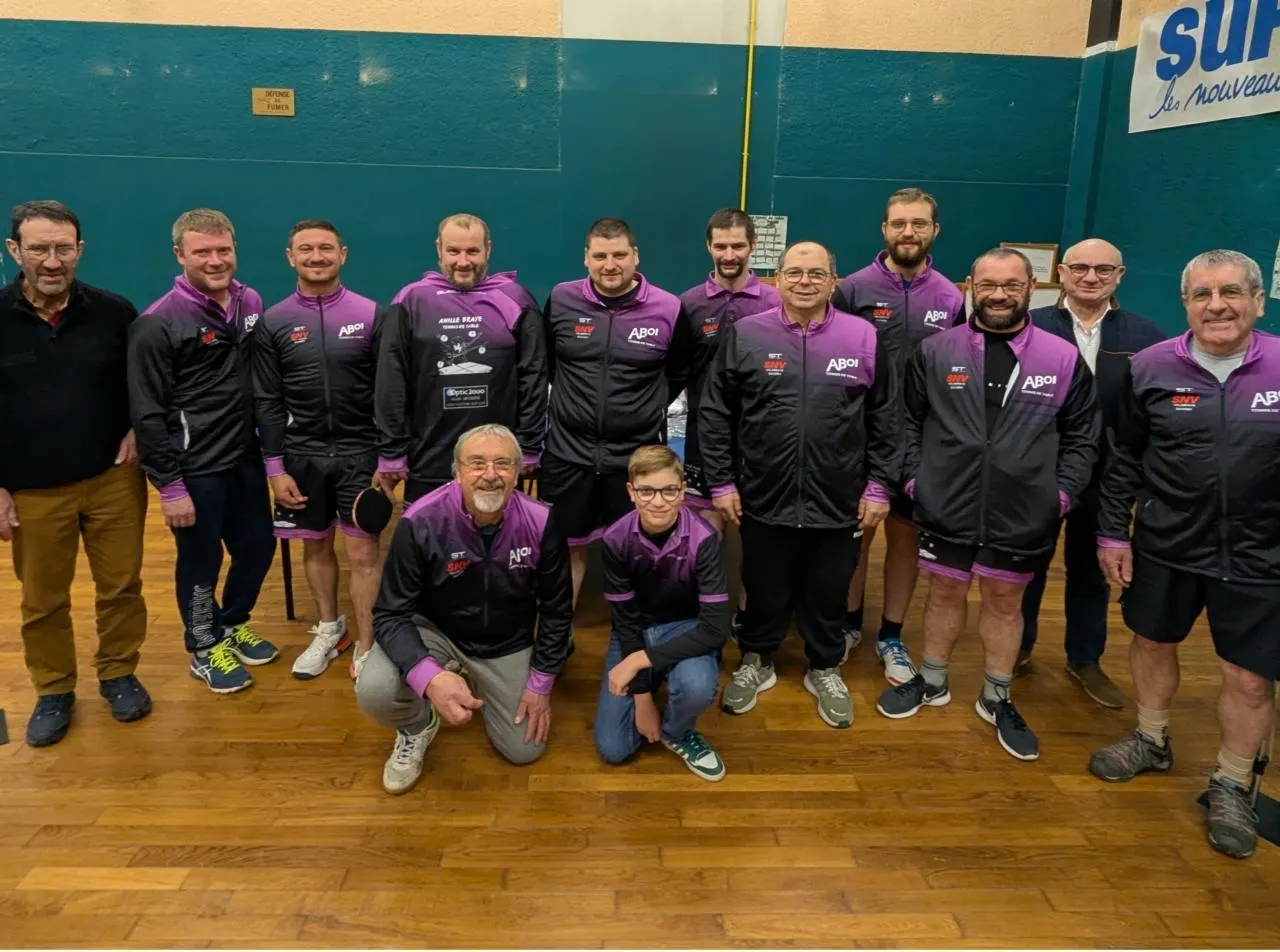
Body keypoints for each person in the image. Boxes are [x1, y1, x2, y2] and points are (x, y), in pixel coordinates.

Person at [874, 248, 1100, 762]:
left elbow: (1084, 435)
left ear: (1032, 289)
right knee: (943, 593)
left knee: (1004, 601)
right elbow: (906, 422)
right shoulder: (935, 350)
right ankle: (932, 680)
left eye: (1012, 285)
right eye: (988, 285)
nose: (999, 295)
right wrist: (916, 481)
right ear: (970, 287)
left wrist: (1060, 494)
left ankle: (997, 695)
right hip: (946, 501)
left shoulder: (1062, 357)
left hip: (1024, 509)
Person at [1090, 250, 1277, 861]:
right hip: (1167, 542)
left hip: (1262, 555)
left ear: (1258, 300)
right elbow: (1124, 458)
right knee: (1151, 643)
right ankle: (1151, 739)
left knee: (1248, 678)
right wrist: (1113, 533)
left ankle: (1232, 782)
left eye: (1230, 292)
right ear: (1186, 304)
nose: (1216, 305)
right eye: (1202, 294)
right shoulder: (1150, 367)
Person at [701, 240, 899, 729]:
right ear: (777, 279)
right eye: (794, 272)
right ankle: (756, 659)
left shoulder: (863, 336)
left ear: (834, 282)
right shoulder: (747, 334)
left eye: (816, 273)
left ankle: (825, 666)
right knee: (763, 584)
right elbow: (716, 412)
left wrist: (878, 487)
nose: (804, 282)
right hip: (763, 491)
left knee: (829, 588)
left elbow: (887, 418)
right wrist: (722, 482)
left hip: (839, 495)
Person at [0, 200, 150, 747]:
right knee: (42, 599)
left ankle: (118, 672)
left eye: (63, 248)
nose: (52, 260)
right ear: (14, 250)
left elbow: (144, 385)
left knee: (122, 586)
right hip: (33, 490)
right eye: (39, 248)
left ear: (79, 251)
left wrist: (137, 429)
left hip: (113, 480)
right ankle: (54, 688)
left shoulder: (115, 312)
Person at [356, 423, 573, 795]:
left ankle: (479, 680)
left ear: (518, 472)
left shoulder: (542, 521)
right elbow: (390, 613)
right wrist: (429, 677)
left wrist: (540, 684)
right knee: (374, 689)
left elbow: (557, 610)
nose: (490, 474)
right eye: (477, 463)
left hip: (506, 640)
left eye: (502, 463)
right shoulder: (419, 521)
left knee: (524, 750)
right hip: (436, 630)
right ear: (457, 472)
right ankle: (418, 724)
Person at [129, 208, 279, 695]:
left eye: (223, 250)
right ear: (180, 255)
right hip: (194, 469)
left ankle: (231, 623)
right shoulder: (158, 323)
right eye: (202, 252)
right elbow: (147, 412)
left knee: (258, 547)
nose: (215, 261)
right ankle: (203, 646)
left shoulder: (250, 301)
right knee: (201, 562)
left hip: (245, 457)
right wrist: (170, 487)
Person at [1018, 238, 1165, 707]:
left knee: (1092, 571)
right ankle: (1017, 649)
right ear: (1061, 273)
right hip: (1039, 470)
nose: (1090, 277)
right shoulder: (1030, 326)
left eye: (1104, 270)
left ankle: (1084, 659)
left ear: (1120, 276)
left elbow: (1148, 412)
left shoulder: (1146, 337)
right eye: (1080, 267)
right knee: (1027, 566)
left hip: (1108, 477)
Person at [833, 188, 966, 686]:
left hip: (922, 441)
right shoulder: (853, 290)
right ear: (884, 229)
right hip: (859, 436)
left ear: (935, 230)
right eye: (899, 223)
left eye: (919, 223)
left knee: (904, 540)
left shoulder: (951, 297)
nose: (908, 232)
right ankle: (848, 624)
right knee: (856, 537)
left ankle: (891, 635)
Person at [254, 220, 387, 681]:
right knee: (315, 546)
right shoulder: (273, 321)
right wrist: (275, 468)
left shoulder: (371, 314)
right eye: (306, 249)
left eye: (326, 248)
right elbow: (267, 400)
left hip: (361, 453)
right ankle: (331, 629)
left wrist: (389, 458)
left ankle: (368, 644)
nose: (316, 256)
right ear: (290, 256)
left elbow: (389, 394)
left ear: (342, 254)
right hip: (302, 456)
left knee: (364, 553)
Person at [542, 217, 689, 606]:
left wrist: (641, 408)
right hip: (568, 453)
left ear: (635, 256)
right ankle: (558, 633)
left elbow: (678, 372)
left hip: (636, 456)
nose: (610, 265)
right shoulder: (561, 300)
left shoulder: (669, 308)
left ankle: (635, 633)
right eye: (600, 256)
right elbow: (548, 363)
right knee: (566, 547)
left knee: (637, 549)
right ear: (586, 258)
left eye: (620, 255)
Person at [375, 213, 547, 503]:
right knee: (430, 532)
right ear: (439, 249)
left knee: (497, 532)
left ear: (488, 250)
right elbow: (392, 378)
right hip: (429, 458)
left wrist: (528, 445)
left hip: (499, 460)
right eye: (453, 251)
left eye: (472, 251)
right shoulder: (411, 300)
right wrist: (392, 452)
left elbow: (534, 376)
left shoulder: (517, 299)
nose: (463, 262)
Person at [595, 445, 730, 780]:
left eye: (669, 490)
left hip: (687, 627)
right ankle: (655, 680)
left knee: (697, 685)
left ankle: (678, 731)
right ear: (631, 492)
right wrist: (642, 699)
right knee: (614, 748)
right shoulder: (615, 539)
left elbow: (715, 630)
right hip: (635, 630)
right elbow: (625, 621)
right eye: (647, 491)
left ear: (682, 490)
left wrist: (639, 661)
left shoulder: (704, 538)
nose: (658, 502)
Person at [678, 208, 781, 529]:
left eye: (737, 246)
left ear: (753, 245)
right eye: (720, 246)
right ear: (709, 246)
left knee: (760, 525)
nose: (729, 255)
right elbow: (679, 369)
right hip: (704, 434)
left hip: (763, 433)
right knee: (707, 527)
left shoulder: (777, 303)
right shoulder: (688, 304)